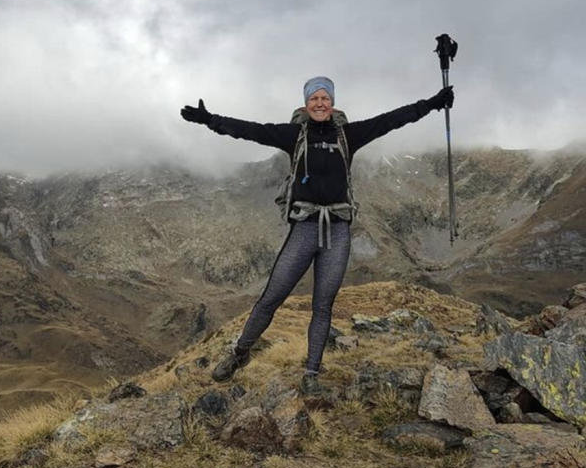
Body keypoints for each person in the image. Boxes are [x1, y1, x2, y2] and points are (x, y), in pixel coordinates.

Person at [180, 76, 453, 394]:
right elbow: (251, 130)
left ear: (332, 102)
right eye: (314, 99)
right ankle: (239, 353)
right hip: (305, 228)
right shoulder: (294, 135)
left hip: (337, 230)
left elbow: (392, 120)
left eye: (325, 98)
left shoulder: (349, 135)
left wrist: (433, 103)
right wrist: (210, 120)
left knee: (323, 306)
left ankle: (311, 374)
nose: (320, 103)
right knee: (271, 298)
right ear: (306, 104)